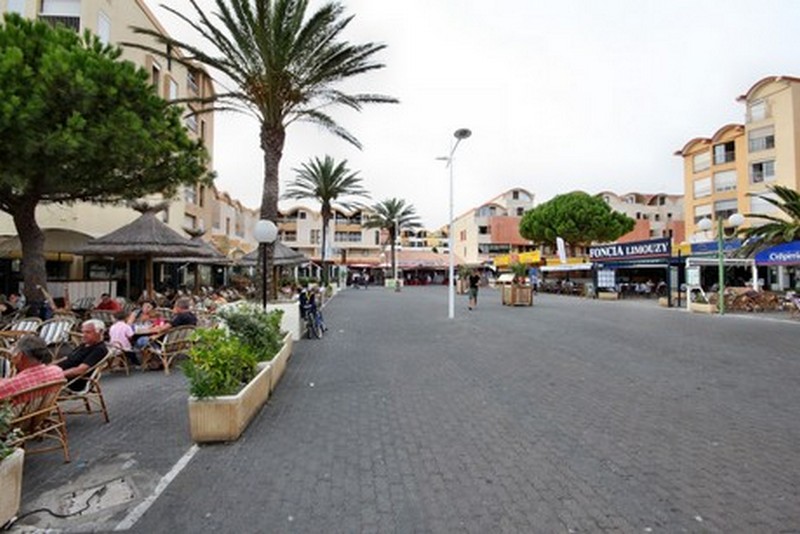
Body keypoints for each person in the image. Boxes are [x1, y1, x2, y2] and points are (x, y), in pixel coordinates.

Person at [0, 335, 64, 402]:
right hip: (42, 407)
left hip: (17, 408)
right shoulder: (57, 371)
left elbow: (6, 386)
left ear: (20, 355)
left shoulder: (15, 384)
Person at [57, 319, 108, 391]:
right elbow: (66, 358)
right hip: (60, 375)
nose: (83, 335)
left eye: (88, 332)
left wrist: (57, 375)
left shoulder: (99, 349)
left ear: (100, 332)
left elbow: (80, 370)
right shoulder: (85, 345)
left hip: (71, 382)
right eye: (83, 332)